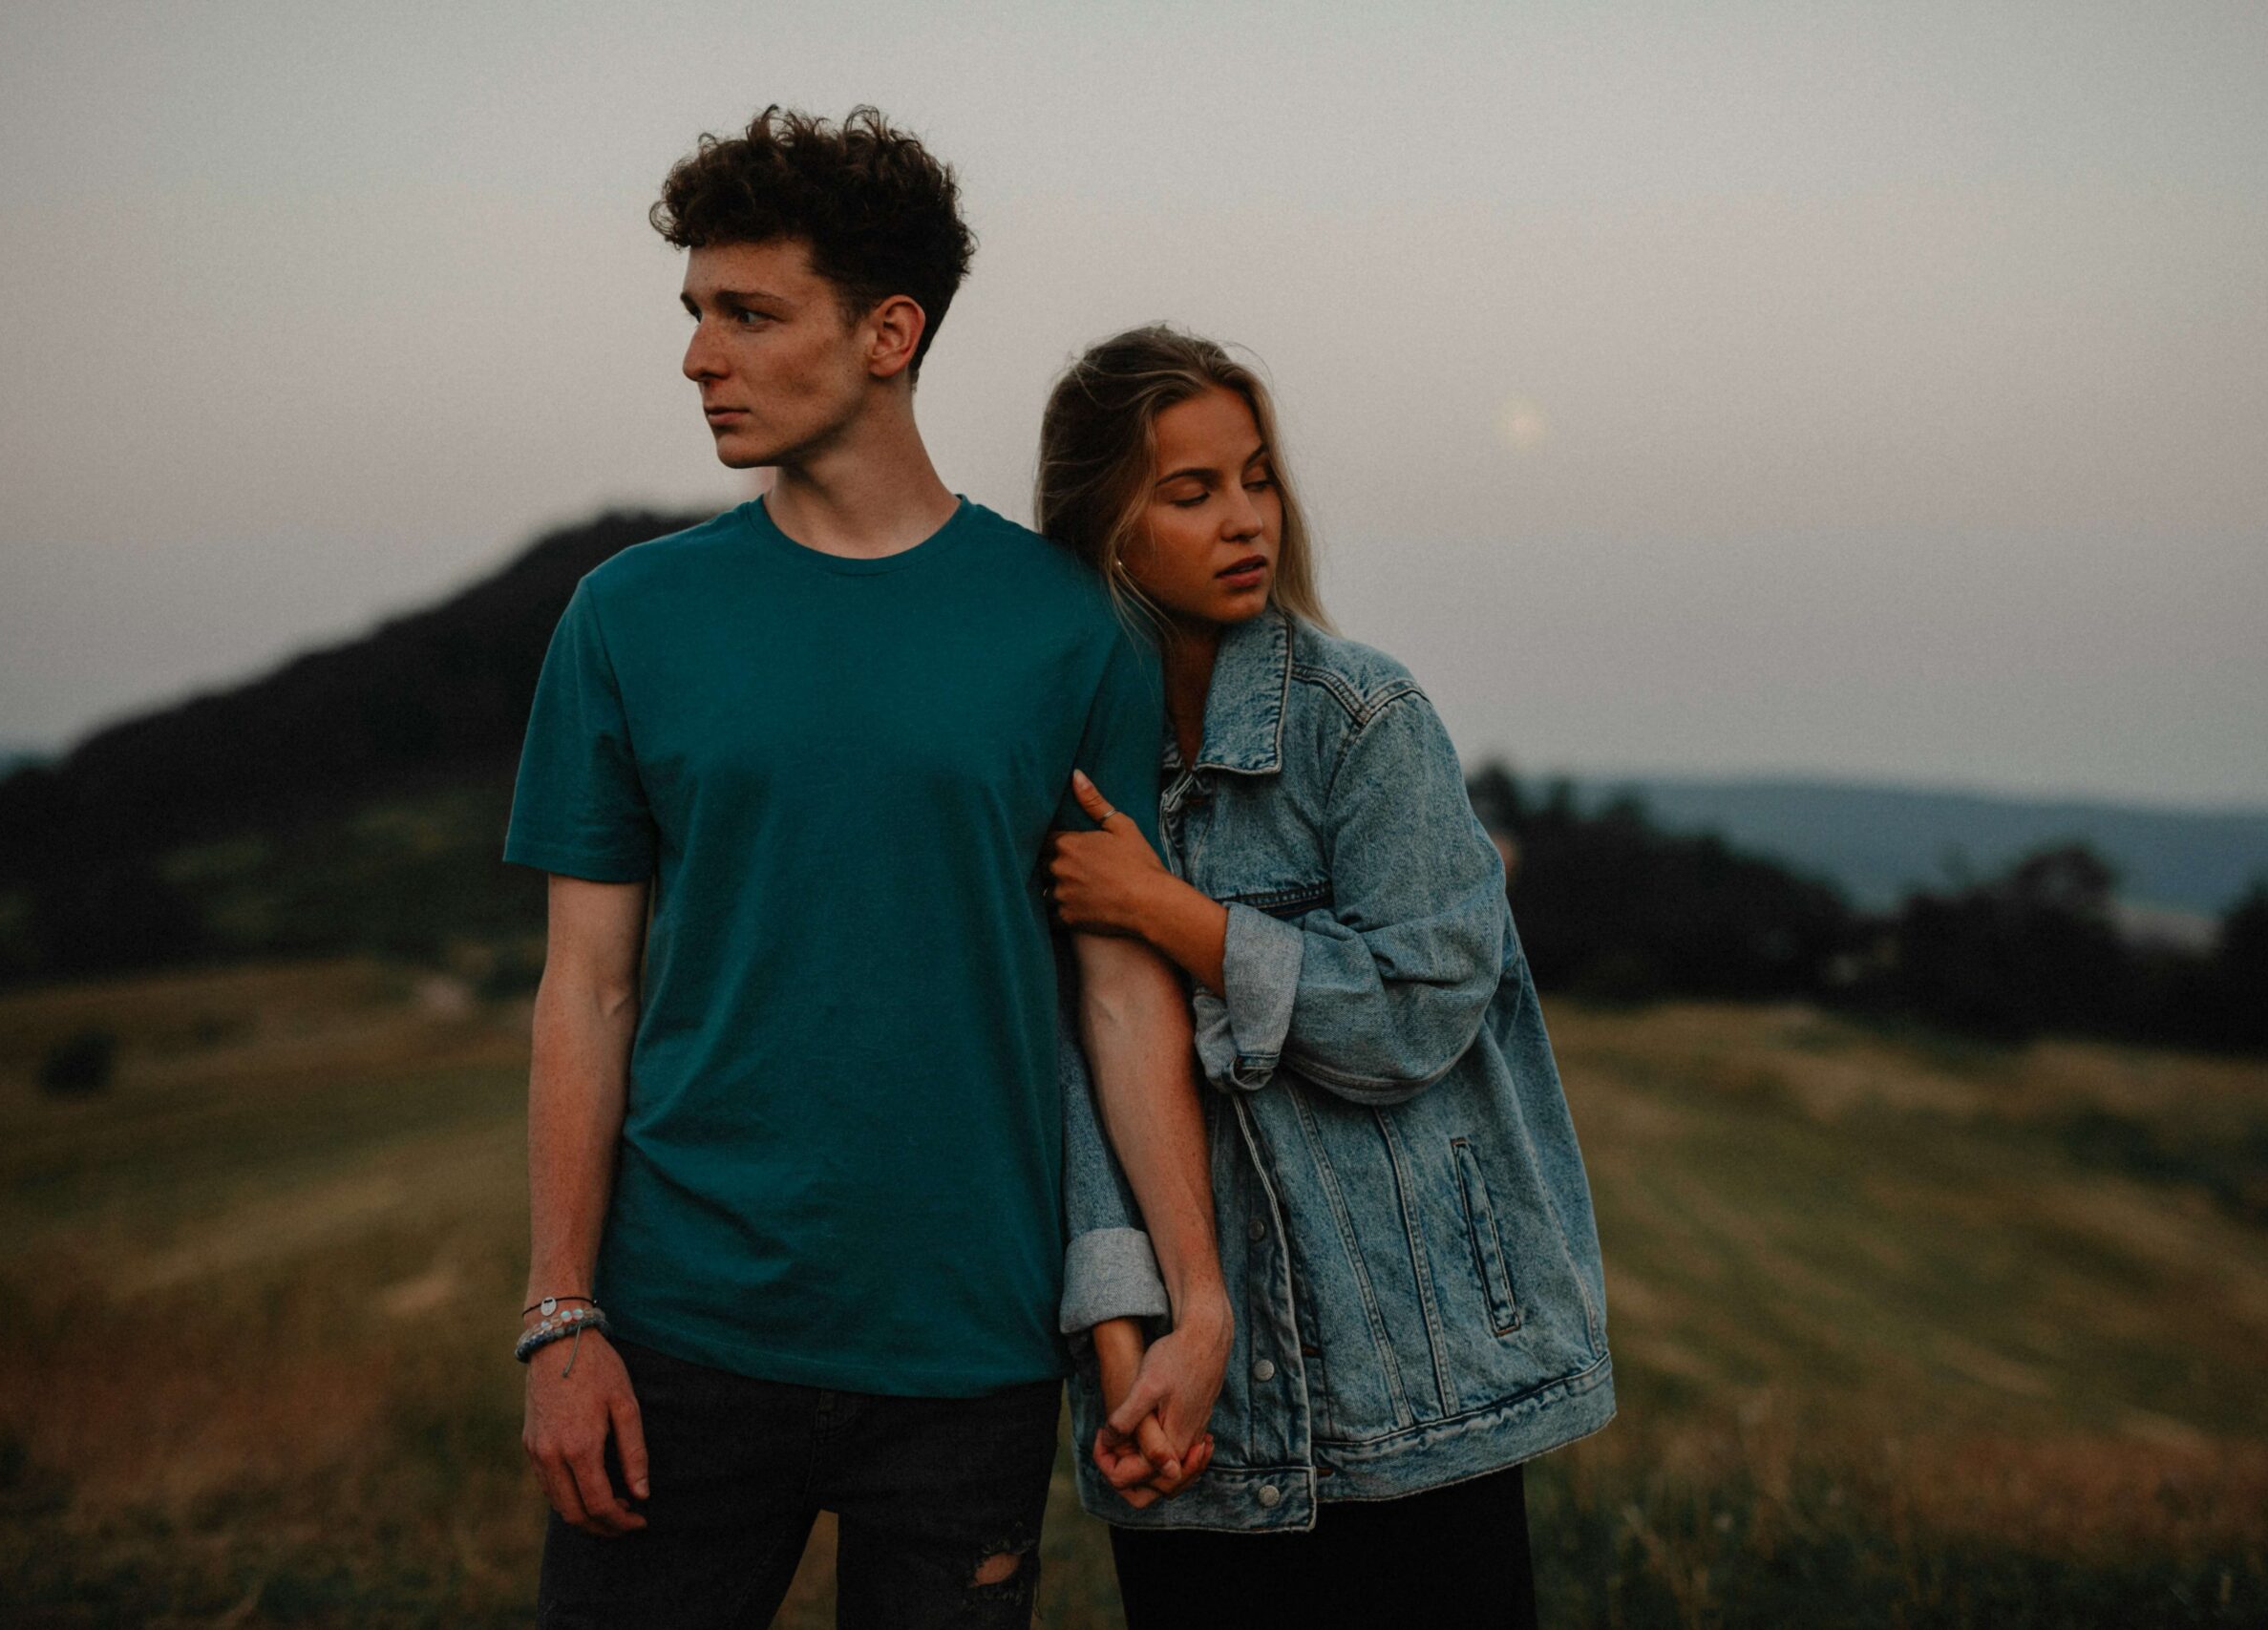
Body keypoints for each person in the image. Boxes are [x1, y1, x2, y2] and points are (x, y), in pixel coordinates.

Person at [502, 112, 1231, 1630]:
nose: (701, 356)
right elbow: (588, 985)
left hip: (965, 1352)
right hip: (681, 1338)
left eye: (749, 315)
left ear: (889, 332)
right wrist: (561, 1318)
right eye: (695, 314)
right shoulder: (628, 619)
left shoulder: (1066, 631)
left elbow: (1117, 989)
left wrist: (1193, 1297)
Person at [1038, 326, 1615, 1628]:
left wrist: (1172, 915)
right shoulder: (1071, 766)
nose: (1245, 519)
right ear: (1107, 532)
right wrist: (1127, 1360)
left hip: (1418, 1395)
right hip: (1199, 1415)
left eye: (1256, 478)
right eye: (1191, 493)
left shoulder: (1362, 720)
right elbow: (1081, 1079)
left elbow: (1413, 1012)